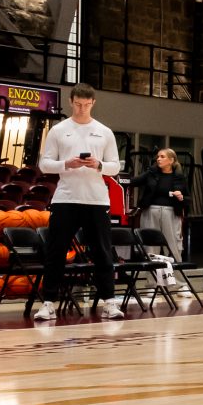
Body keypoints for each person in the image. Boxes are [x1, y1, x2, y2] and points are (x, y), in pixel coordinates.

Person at [35, 85, 124, 323]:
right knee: (55, 252)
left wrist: (99, 165)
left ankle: (109, 302)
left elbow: (115, 165)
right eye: (77, 104)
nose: (82, 108)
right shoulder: (59, 130)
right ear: (71, 102)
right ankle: (48, 303)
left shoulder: (104, 131)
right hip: (65, 199)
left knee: (103, 253)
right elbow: (45, 164)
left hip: (96, 200)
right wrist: (67, 164)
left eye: (86, 104)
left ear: (93, 103)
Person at [133, 147, 189, 259]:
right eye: (158, 157)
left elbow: (187, 197)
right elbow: (134, 181)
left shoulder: (179, 177)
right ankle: (152, 275)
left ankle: (175, 275)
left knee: (172, 244)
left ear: (171, 160)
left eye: (162, 157)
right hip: (151, 211)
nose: (158, 159)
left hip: (171, 213)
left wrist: (181, 196)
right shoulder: (151, 173)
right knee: (150, 246)